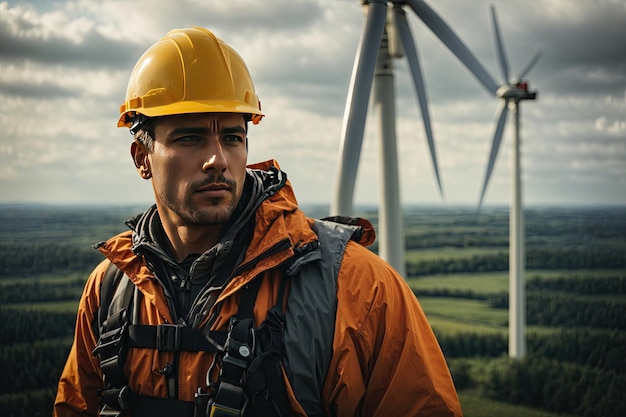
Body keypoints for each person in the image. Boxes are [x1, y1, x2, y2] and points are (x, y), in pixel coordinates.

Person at [53, 27, 463, 417]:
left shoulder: (355, 288)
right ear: (142, 158)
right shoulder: (110, 290)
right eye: (190, 137)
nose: (218, 160)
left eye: (232, 137)